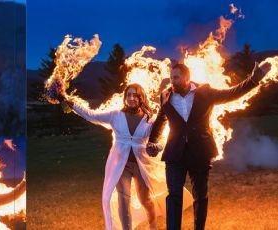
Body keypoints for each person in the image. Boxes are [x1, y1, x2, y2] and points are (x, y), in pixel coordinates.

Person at [146, 62, 272, 230]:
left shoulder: (205, 92)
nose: (172, 81)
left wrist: (254, 79)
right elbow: (161, 118)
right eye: (171, 78)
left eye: (176, 78)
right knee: (174, 195)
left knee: (200, 196)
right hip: (175, 153)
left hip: (200, 152)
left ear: (187, 77)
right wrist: (152, 140)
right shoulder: (165, 96)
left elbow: (232, 93)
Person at [64, 84, 192, 230]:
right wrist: (69, 101)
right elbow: (91, 115)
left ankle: (152, 224)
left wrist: (157, 147)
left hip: (141, 164)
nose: (131, 98)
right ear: (125, 97)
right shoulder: (115, 116)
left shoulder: (150, 119)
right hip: (120, 164)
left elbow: (162, 139)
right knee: (123, 198)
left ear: (141, 98)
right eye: (129, 95)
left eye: (135, 95)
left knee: (145, 199)